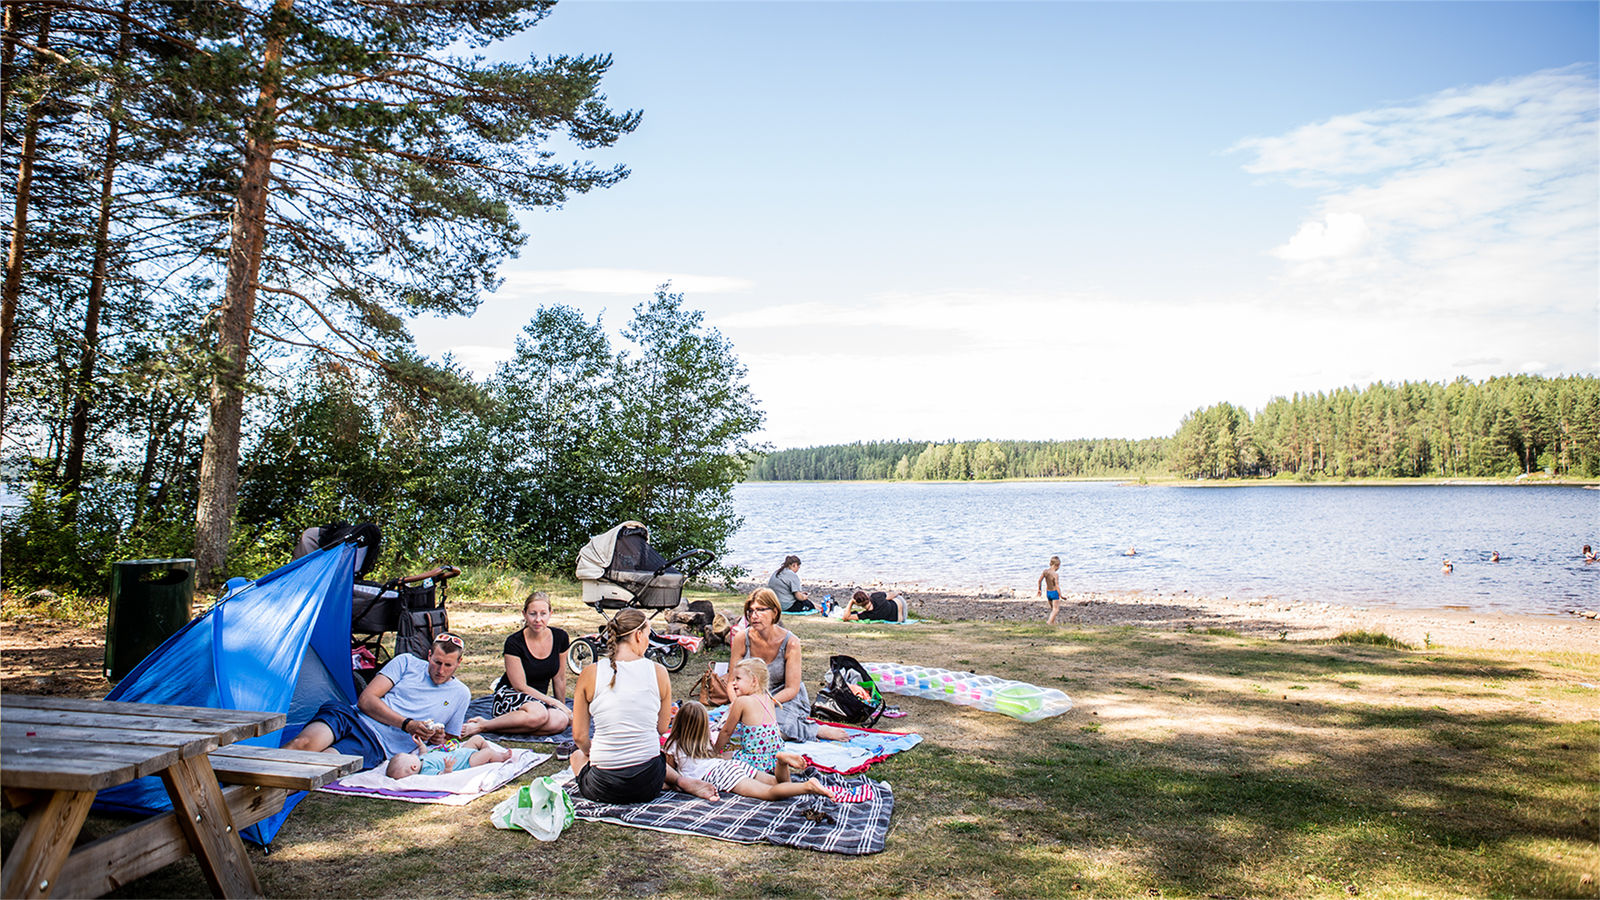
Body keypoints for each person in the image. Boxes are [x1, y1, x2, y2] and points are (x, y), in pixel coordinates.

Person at [569, 608, 718, 803]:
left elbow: (579, 736)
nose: (648, 641)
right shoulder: (659, 672)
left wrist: (593, 754)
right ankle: (679, 780)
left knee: (576, 756)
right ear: (638, 635)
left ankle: (677, 781)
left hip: (604, 787)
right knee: (654, 755)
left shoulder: (589, 673)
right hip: (648, 783)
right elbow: (662, 728)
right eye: (648, 635)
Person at [286, 634, 472, 770]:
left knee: (320, 766)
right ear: (429, 655)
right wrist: (407, 724)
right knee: (302, 744)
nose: (441, 670)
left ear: (459, 662)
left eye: (448, 665)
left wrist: (437, 738)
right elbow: (365, 700)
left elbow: (450, 738)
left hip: (378, 744)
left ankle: (264, 796)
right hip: (351, 717)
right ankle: (258, 776)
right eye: (437, 662)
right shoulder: (406, 663)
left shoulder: (461, 693)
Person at [729, 588, 849, 743]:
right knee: (737, 731)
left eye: (760, 610)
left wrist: (763, 703)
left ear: (774, 612)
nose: (754, 616)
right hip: (750, 696)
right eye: (750, 611)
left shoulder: (790, 642)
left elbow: (792, 688)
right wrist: (736, 703)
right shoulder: (742, 638)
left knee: (773, 732)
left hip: (782, 697)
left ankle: (814, 730)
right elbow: (732, 680)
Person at [666, 699, 833, 802]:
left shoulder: (672, 745)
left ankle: (808, 786)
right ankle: (780, 761)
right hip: (733, 765)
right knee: (781, 785)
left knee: (770, 793)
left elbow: (669, 773)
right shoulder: (706, 743)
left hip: (719, 774)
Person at [461, 591, 570, 737]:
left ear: (550, 614)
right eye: (533, 614)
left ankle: (510, 725)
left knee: (560, 721)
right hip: (512, 694)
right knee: (538, 715)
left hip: (538, 701)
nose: (538, 619)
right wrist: (554, 702)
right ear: (524, 614)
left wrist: (562, 707)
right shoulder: (514, 642)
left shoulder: (560, 637)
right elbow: (520, 686)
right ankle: (483, 726)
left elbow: (559, 679)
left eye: (543, 614)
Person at [385, 733, 512, 779]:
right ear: (413, 767)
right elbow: (443, 777)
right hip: (467, 761)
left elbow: (424, 752)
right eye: (410, 756)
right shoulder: (427, 771)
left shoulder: (422, 759)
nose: (412, 755)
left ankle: (488, 758)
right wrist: (448, 768)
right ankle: (501, 758)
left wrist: (420, 745)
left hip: (462, 751)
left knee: (477, 739)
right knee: (487, 753)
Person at [1036, 556, 1062, 626]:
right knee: (1056, 610)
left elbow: (1039, 580)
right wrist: (1061, 595)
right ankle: (1048, 622)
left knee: (1052, 610)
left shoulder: (1045, 572)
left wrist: (1039, 590)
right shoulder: (1055, 574)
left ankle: (1053, 625)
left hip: (1048, 593)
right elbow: (1057, 585)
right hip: (1054, 593)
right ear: (1058, 564)